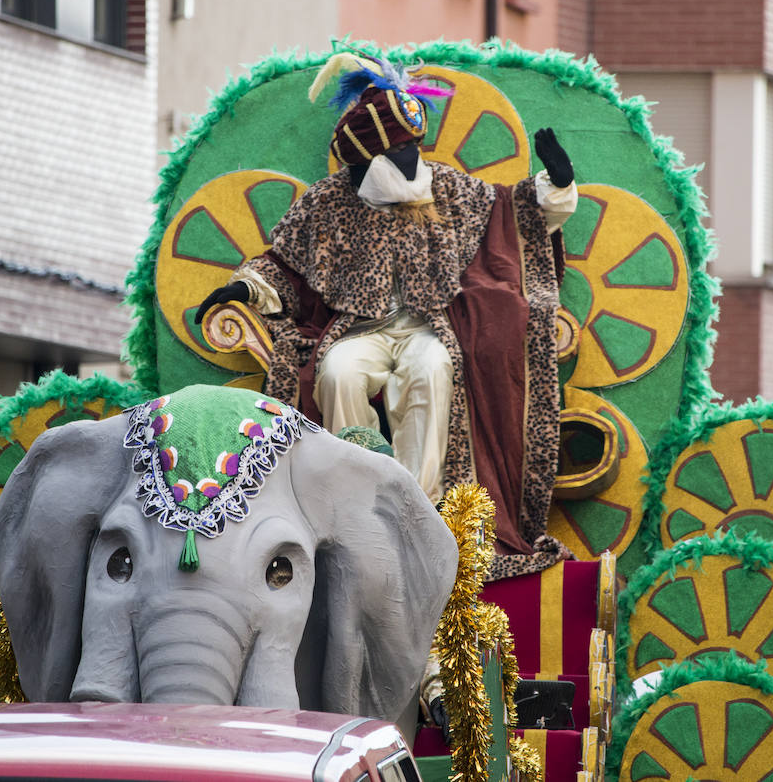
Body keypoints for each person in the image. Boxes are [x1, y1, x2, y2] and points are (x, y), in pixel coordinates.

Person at [195, 53, 576, 580]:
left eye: (409, 149)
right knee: (336, 373)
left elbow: (513, 213)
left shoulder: (448, 188)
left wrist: (555, 184)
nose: (407, 160)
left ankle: (416, 510)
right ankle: (354, 503)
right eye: (396, 152)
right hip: (357, 329)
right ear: (367, 164)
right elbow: (282, 261)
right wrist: (243, 287)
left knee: (431, 370)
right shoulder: (329, 202)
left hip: (429, 328)